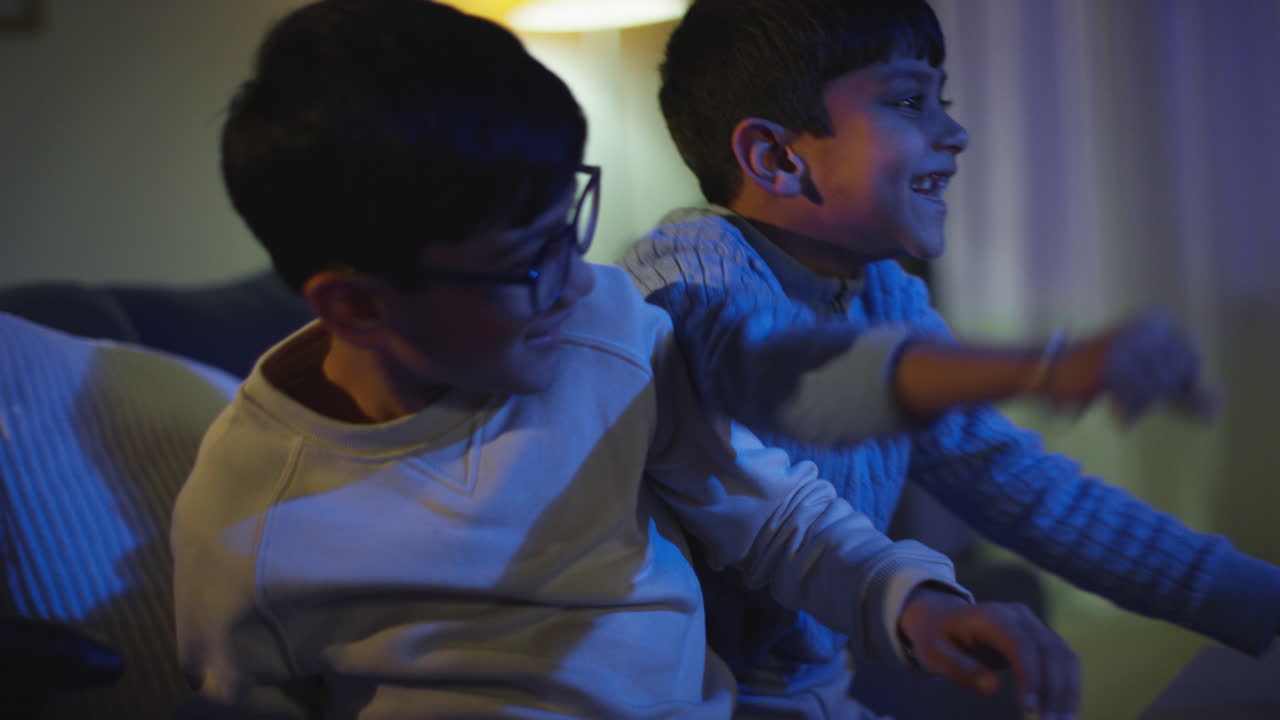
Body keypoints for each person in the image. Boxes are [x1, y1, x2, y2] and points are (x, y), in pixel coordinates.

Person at [169, 2, 1080, 718]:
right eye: (528, 261)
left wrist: (912, 601)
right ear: (358, 305)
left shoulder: (608, 330)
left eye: (570, 223)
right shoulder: (251, 521)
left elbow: (768, 511)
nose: (579, 281)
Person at [622, 0, 1280, 716]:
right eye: (910, 102)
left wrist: (1262, 603)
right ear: (776, 157)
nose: (956, 134)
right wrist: (1047, 367)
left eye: (946, 103)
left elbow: (1028, 491)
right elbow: (786, 373)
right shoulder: (683, 277)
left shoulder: (882, 292)